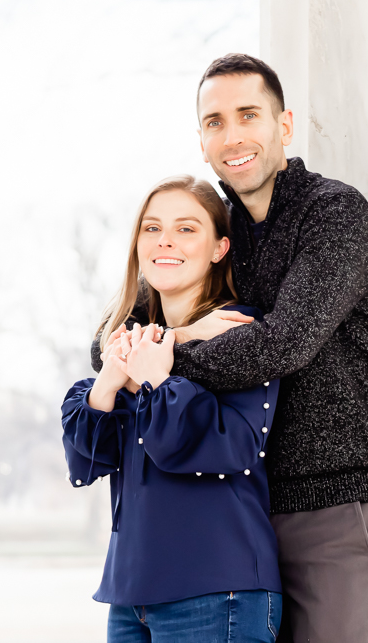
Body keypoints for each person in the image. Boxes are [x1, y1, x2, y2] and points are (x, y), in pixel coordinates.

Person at [92, 53, 368, 643]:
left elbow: (284, 344)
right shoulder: (210, 229)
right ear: (201, 141)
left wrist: (164, 355)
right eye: (214, 122)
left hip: (329, 506)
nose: (232, 136)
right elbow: (106, 344)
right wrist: (170, 338)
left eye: (248, 115)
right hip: (238, 519)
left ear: (282, 126)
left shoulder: (334, 214)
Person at [62, 175, 283, 642]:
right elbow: (86, 461)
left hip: (217, 589)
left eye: (186, 229)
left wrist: (159, 378)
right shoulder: (131, 344)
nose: (165, 240)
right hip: (129, 597)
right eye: (151, 228)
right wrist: (111, 377)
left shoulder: (240, 333)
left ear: (219, 248)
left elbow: (231, 448)